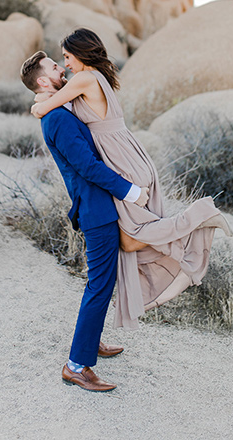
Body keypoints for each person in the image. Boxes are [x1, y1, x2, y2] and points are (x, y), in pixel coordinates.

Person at [30, 28, 233, 330]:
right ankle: (176, 272)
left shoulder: (84, 79)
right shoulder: (95, 77)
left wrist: (37, 102)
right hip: (127, 155)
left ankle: (200, 217)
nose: (66, 63)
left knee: (134, 233)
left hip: (121, 162)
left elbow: (44, 108)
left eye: (67, 57)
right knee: (129, 239)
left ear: (81, 53)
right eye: (62, 60)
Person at [20, 51, 150, 393]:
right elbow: (88, 168)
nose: (62, 68)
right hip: (97, 210)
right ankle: (77, 365)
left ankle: (89, 344)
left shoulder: (57, 110)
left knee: (101, 283)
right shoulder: (58, 120)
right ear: (44, 81)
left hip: (98, 207)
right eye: (53, 66)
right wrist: (131, 192)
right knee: (99, 285)